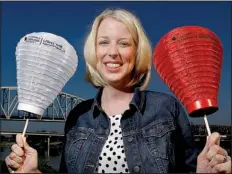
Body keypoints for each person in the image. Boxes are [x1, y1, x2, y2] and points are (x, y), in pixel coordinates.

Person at [5, 8, 231, 173]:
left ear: (137, 51)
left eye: (124, 43)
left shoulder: (166, 108)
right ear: (93, 51)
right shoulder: (77, 117)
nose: (113, 52)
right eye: (103, 42)